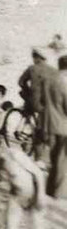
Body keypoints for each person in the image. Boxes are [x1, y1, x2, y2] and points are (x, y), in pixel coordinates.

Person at [18, 47, 59, 160]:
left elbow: (21, 82)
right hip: (49, 104)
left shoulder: (32, 68)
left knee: (27, 99)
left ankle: (24, 126)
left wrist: (27, 91)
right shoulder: (53, 70)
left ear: (36, 58)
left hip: (34, 103)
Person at [39, 53, 67, 198]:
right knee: (61, 160)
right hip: (63, 126)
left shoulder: (48, 80)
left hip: (48, 123)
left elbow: (42, 101)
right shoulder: (64, 82)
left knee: (54, 157)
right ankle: (57, 193)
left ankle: (49, 189)